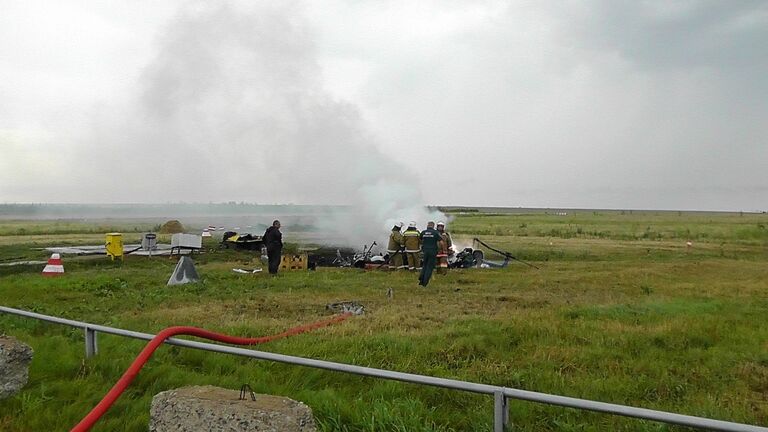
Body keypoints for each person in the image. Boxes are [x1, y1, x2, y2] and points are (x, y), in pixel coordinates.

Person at [418, 221, 441, 286]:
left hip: (425, 251)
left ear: (427, 225)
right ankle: (425, 282)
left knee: (424, 265)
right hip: (433, 251)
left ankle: (421, 278)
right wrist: (439, 249)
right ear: (433, 226)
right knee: (429, 267)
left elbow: (420, 240)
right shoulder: (436, 233)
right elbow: (440, 242)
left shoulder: (423, 232)